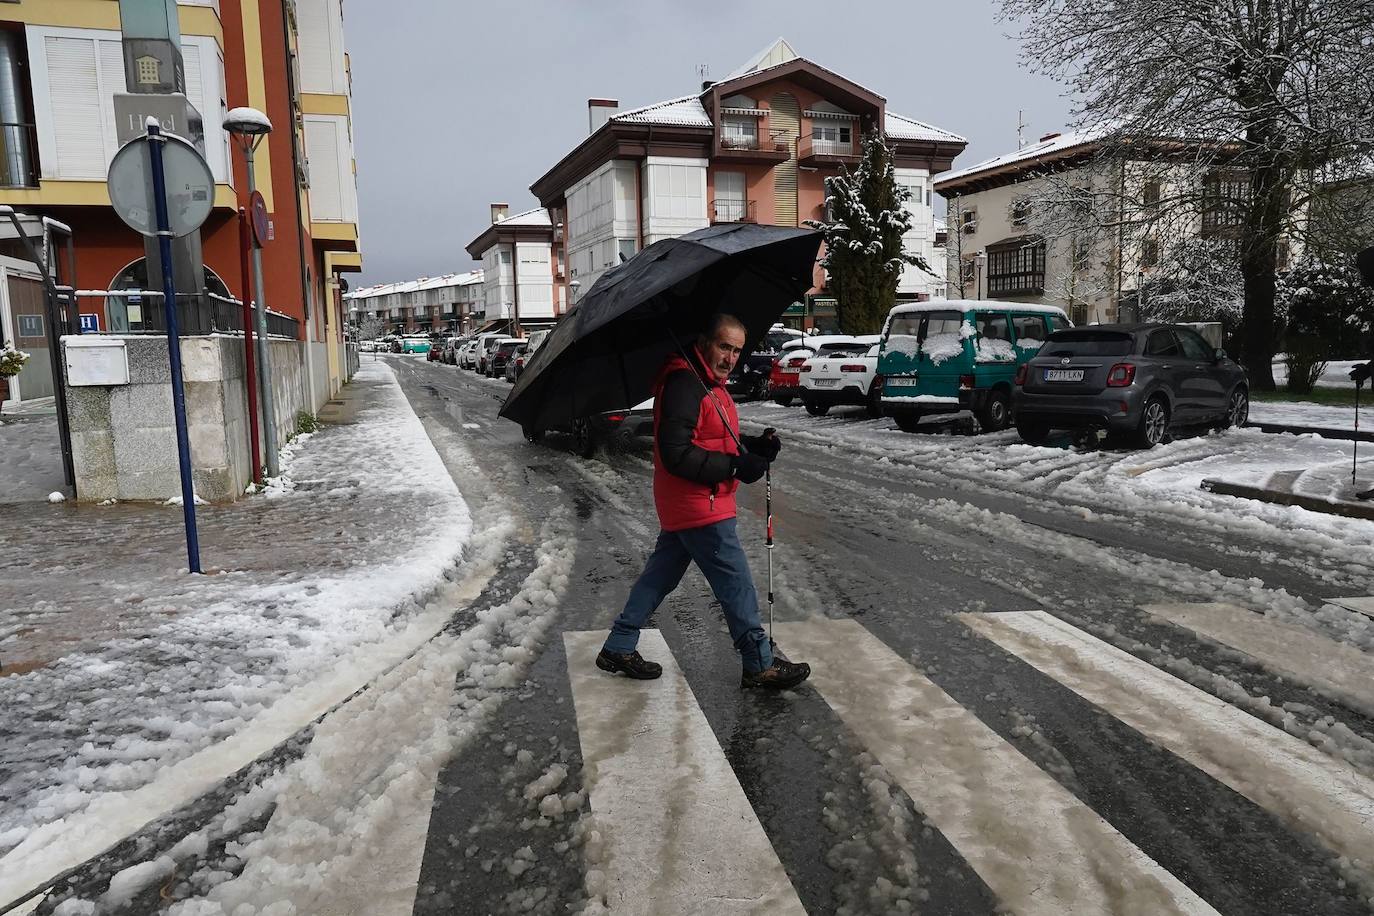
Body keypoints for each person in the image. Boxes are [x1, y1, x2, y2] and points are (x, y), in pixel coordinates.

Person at [595, 313, 812, 690]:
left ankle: (619, 643)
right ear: (704, 342)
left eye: (737, 350)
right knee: (736, 584)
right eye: (724, 346)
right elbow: (676, 452)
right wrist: (734, 466)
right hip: (700, 504)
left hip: (691, 504)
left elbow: (712, 435)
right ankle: (758, 663)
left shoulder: (706, 382)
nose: (730, 358)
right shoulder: (685, 383)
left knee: (659, 577)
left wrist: (751, 446)